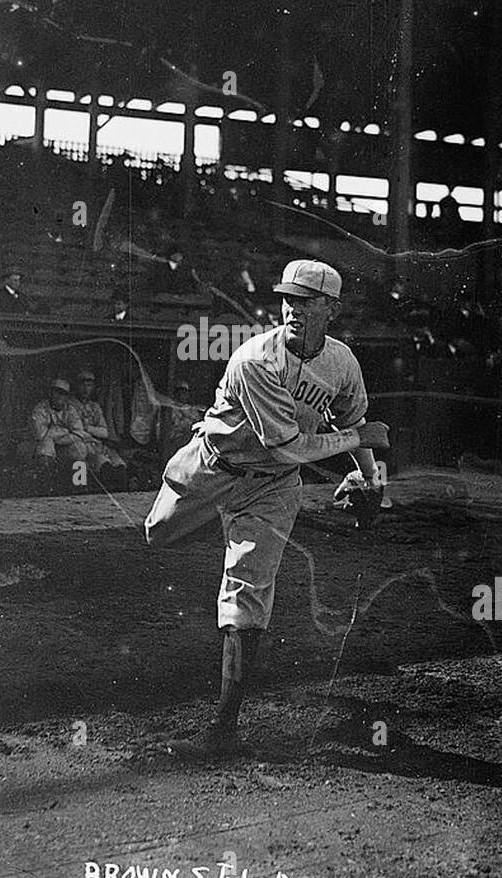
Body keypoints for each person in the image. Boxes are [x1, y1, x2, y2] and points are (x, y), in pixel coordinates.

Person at [145, 258, 390, 757]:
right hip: (213, 465)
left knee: (246, 594)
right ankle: (215, 529)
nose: (294, 308)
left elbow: (353, 418)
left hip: (272, 489)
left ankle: (223, 731)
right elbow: (290, 445)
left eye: (307, 300)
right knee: (158, 534)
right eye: (288, 298)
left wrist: (369, 476)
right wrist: (354, 440)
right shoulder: (257, 358)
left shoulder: (341, 362)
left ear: (332, 310)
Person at [70, 369, 128, 490]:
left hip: (97, 444)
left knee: (119, 465)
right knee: (102, 463)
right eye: (83, 385)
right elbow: (76, 429)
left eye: (89, 385)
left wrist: (88, 428)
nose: (86, 389)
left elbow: (104, 432)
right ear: (77, 386)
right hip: (80, 445)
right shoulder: (70, 405)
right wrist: (91, 430)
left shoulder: (94, 406)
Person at [24, 377, 88, 472]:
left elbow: (79, 433)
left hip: (60, 446)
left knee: (80, 448)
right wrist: (65, 431)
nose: (59, 396)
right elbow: (41, 435)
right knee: (45, 447)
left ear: (67, 396)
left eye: (63, 394)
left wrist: (57, 433)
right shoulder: (40, 408)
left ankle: (66, 475)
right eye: (56, 392)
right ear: (50, 393)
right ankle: (45, 475)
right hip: (37, 447)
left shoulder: (70, 410)